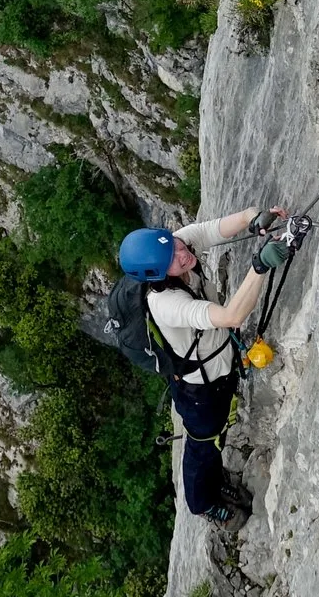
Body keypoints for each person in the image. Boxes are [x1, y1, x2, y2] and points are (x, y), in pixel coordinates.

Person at [116, 206, 290, 523]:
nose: (182, 254)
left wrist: (255, 218)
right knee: (202, 446)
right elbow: (231, 317)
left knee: (215, 438)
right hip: (200, 391)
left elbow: (212, 229)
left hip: (219, 373)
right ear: (156, 274)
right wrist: (259, 265)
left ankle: (214, 479)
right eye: (172, 258)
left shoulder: (172, 247)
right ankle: (202, 503)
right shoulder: (166, 304)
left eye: (176, 246)